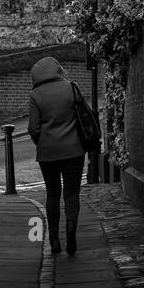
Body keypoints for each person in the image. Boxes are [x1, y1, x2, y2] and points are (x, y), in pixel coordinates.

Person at [27, 56, 87, 255]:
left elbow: (33, 128)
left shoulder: (35, 94)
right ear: (58, 70)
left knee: (53, 194)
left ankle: (53, 239)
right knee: (71, 193)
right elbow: (83, 116)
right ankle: (71, 229)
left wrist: (42, 141)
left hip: (48, 153)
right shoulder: (71, 87)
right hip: (74, 150)